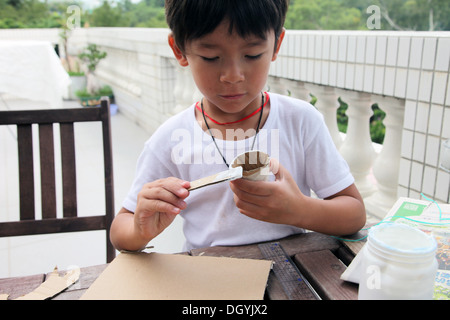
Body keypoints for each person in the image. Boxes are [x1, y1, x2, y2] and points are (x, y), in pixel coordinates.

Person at [110, 0, 366, 252]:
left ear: (276, 44)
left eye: (252, 55)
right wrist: (139, 230)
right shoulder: (171, 139)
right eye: (211, 57)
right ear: (179, 50)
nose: (233, 76)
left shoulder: (300, 120)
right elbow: (120, 231)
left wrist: (299, 209)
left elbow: (353, 215)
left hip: (291, 274)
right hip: (210, 278)